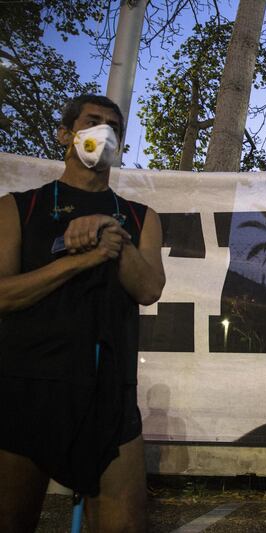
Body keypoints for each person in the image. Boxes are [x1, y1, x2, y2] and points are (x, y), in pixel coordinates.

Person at [0, 94, 165, 532]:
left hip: (109, 393)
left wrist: (118, 239)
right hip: (26, 389)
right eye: (93, 121)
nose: (104, 132)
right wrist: (80, 261)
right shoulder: (19, 206)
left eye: (115, 126)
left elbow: (149, 289)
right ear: (65, 134)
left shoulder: (140, 216)